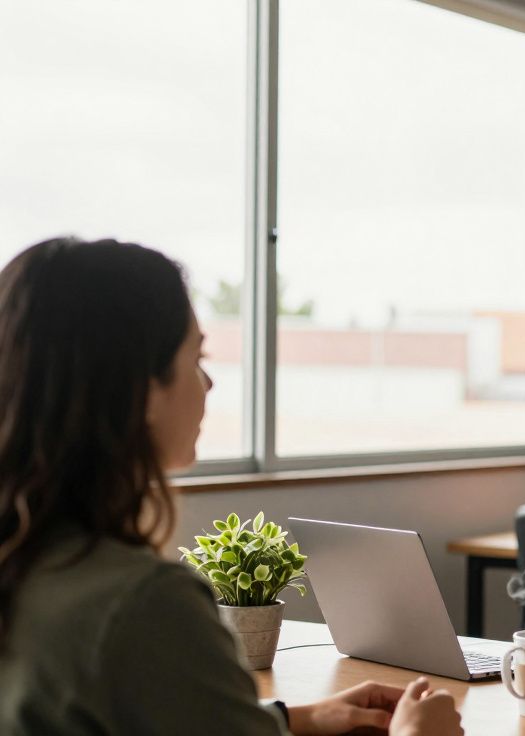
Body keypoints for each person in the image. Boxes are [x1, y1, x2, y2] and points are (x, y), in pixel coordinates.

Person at [0, 238, 463, 735]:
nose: (209, 384)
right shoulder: (145, 605)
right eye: (196, 359)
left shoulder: (26, 565)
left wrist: (294, 719)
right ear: (141, 389)